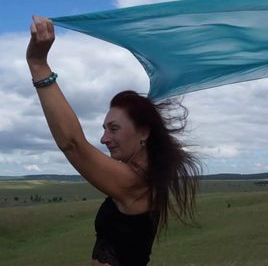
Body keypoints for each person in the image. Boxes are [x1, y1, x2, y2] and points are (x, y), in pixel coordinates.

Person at [26, 16, 201, 266]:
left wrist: (38, 64)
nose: (104, 138)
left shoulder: (134, 183)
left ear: (144, 132)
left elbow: (73, 145)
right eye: (105, 129)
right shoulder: (146, 177)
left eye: (114, 129)